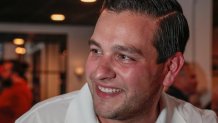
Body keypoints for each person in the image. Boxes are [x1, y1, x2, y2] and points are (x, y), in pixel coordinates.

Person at [16, 0, 218, 123]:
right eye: (96, 50)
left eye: (124, 57)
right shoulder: (40, 120)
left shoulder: (201, 121)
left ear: (170, 68)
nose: (99, 72)